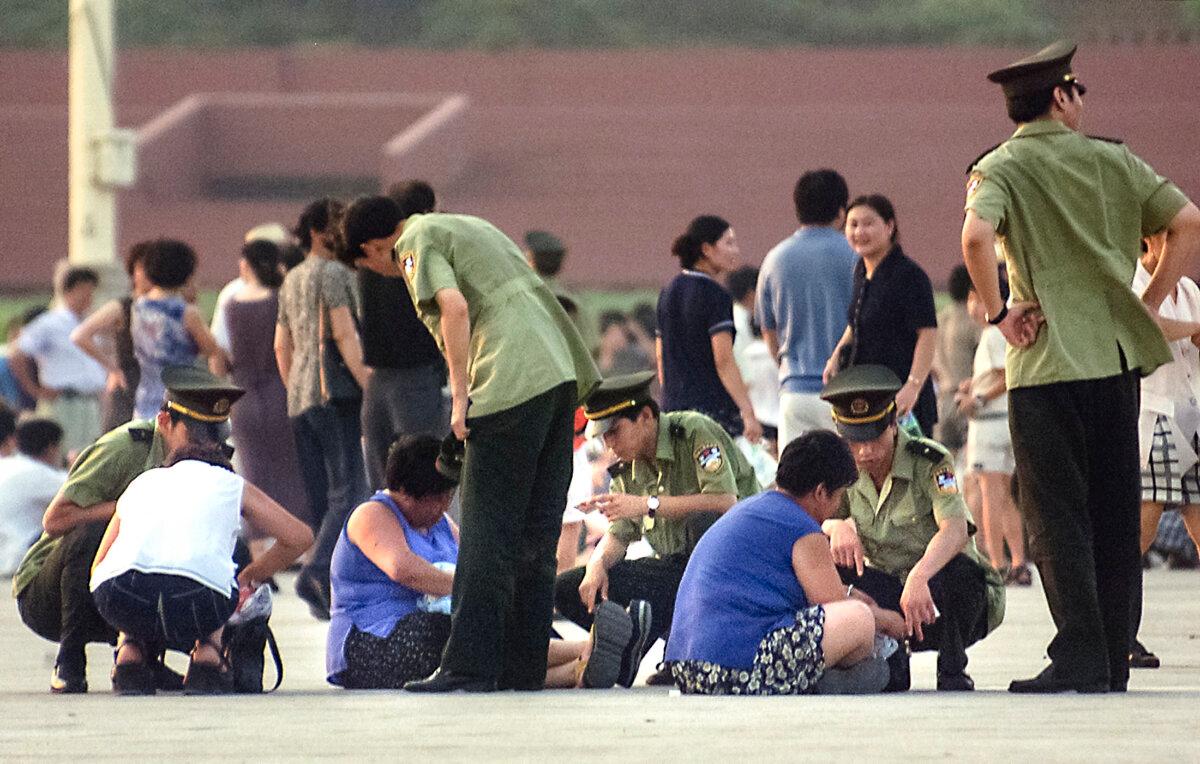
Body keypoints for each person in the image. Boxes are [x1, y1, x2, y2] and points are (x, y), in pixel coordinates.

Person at [962, 40, 1200, 693]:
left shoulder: (999, 168)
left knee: (1055, 512)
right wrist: (1145, 304)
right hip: (1114, 361)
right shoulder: (1114, 161)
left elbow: (976, 238)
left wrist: (998, 314)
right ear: (1062, 97)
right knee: (1116, 510)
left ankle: (1080, 653)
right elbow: (1187, 222)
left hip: (1043, 367)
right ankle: (1114, 652)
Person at [342, 195, 600, 693]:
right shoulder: (469, 225)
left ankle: (467, 666)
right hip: (558, 378)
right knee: (535, 535)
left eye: (372, 264)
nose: (384, 272)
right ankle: (521, 666)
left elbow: (453, 308)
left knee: (486, 534)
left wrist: (460, 397)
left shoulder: (413, 242)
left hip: (506, 382)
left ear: (375, 246)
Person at [327, 434, 647, 690]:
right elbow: (403, 570)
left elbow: (474, 559)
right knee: (461, 634)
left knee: (501, 624)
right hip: (373, 643)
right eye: (438, 499)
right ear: (407, 494)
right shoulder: (372, 515)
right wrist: (479, 591)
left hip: (431, 626)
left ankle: (580, 669)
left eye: (447, 498)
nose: (444, 507)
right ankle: (590, 648)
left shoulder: (437, 522)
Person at [11, 366, 250, 693]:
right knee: (98, 531)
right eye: (195, 434)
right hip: (51, 590)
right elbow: (55, 520)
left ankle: (144, 658)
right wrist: (128, 506)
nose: (206, 444)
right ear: (165, 422)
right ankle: (69, 661)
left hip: (125, 591)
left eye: (215, 434)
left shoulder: (212, 460)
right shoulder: (126, 447)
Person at [553, 371, 761, 686]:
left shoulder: (692, 432)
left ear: (646, 416)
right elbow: (620, 533)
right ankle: (640, 644)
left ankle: (672, 648)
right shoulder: (626, 466)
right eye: (604, 437)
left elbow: (725, 503)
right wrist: (596, 565)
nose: (610, 445)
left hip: (737, 564)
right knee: (570, 587)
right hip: (675, 569)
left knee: (701, 526)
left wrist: (647, 504)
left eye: (615, 432)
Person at [666, 430, 906, 695]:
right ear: (820, 492)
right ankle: (824, 681)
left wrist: (851, 594)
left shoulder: (755, 508)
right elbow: (832, 605)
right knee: (860, 620)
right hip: (738, 665)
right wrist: (888, 620)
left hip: (688, 668)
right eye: (838, 497)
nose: (837, 506)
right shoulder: (801, 527)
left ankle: (825, 678)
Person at [820, 365, 1005, 692]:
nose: (866, 452)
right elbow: (809, 515)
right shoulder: (844, 468)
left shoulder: (929, 461)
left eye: (874, 438)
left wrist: (920, 576)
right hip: (888, 590)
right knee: (828, 566)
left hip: (942, 595)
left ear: (893, 424)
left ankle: (952, 666)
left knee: (960, 574)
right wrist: (835, 526)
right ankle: (887, 657)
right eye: (855, 441)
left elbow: (955, 529)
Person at [90, 440, 312, 695]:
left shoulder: (141, 482)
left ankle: (129, 652)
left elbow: (99, 565)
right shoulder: (229, 483)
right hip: (198, 600)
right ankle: (208, 655)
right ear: (223, 467)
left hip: (116, 596)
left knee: (133, 571)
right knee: (220, 569)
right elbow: (300, 537)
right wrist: (250, 575)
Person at [275, 197, 371, 620]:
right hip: (335, 392)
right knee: (349, 489)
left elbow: (282, 344)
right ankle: (316, 571)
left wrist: (294, 386)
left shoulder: (291, 277)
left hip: (301, 395)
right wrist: (370, 385)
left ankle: (324, 576)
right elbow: (345, 334)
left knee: (326, 494)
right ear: (318, 232)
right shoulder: (333, 274)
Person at [1129, 233, 1200, 669]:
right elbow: (1148, 326)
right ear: (1148, 241)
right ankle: (1119, 631)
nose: (1183, 246)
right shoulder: (1135, 283)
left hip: (1193, 416)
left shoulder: (1190, 290)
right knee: (1139, 533)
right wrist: (1194, 330)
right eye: (1171, 237)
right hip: (1155, 419)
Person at [757, 169, 857, 449]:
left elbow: (768, 329)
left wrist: (785, 365)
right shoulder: (857, 257)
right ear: (841, 213)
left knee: (797, 485)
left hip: (795, 392)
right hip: (847, 392)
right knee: (851, 485)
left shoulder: (774, 259)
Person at [825, 195, 939, 438]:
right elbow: (856, 323)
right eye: (853, 224)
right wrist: (836, 355)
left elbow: (927, 333)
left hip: (901, 396)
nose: (859, 232)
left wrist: (913, 385)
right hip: (866, 395)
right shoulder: (860, 271)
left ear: (889, 226)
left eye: (868, 224)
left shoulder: (909, 275)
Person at [360, 180, 448, 490]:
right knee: (426, 473)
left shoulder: (370, 253)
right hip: (417, 377)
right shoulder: (418, 252)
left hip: (377, 379)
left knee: (381, 480)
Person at [224, 240, 309, 530]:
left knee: (255, 474)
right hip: (279, 391)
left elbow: (222, 354)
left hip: (243, 396)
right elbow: (287, 347)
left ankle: (260, 539)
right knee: (292, 473)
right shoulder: (280, 299)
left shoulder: (231, 304)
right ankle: (297, 537)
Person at [657, 215, 762, 442]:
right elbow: (723, 360)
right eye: (729, 243)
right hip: (711, 414)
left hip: (673, 411)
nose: (735, 250)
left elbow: (660, 358)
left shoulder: (668, 292)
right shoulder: (715, 295)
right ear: (706, 249)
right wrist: (748, 412)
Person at [956, 272, 1029, 586]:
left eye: (975, 298)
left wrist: (979, 398)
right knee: (1007, 497)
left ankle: (996, 563)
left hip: (989, 424)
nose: (972, 306)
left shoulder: (992, 334)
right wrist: (974, 384)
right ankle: (1018, 561)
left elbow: (1006, 376)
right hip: (1007, 422)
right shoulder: (1003, 333)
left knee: (990, 496)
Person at [11, 267, 107, 458]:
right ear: (70, 291)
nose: (88, 296)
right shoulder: (49, 323)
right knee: (59, 455)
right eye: (84, 290)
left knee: (88, 457)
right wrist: (34, 390)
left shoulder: (89, 323)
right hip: (63, 402)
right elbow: (17, 354)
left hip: (89, 402)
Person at [130, 239, 227, 420]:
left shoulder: (138, 306)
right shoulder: (185, 312)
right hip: (179, 401)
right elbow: (210, 348)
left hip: (145, 399)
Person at [71, 241, 154, 433]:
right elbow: (80, 336)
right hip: (129, 385)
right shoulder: (123, 307)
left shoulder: (168, 306)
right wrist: (112, 368)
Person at [0, 417, 65, 576]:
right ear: (51, 447)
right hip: (17, 555)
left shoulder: (7, 464)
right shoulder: (36, 472)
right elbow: (80, 488)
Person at [933, 264, 981, 454]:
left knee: (945, 467)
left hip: (942, 400)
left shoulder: (939, 319)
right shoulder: (973, 322)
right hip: (965, 399)